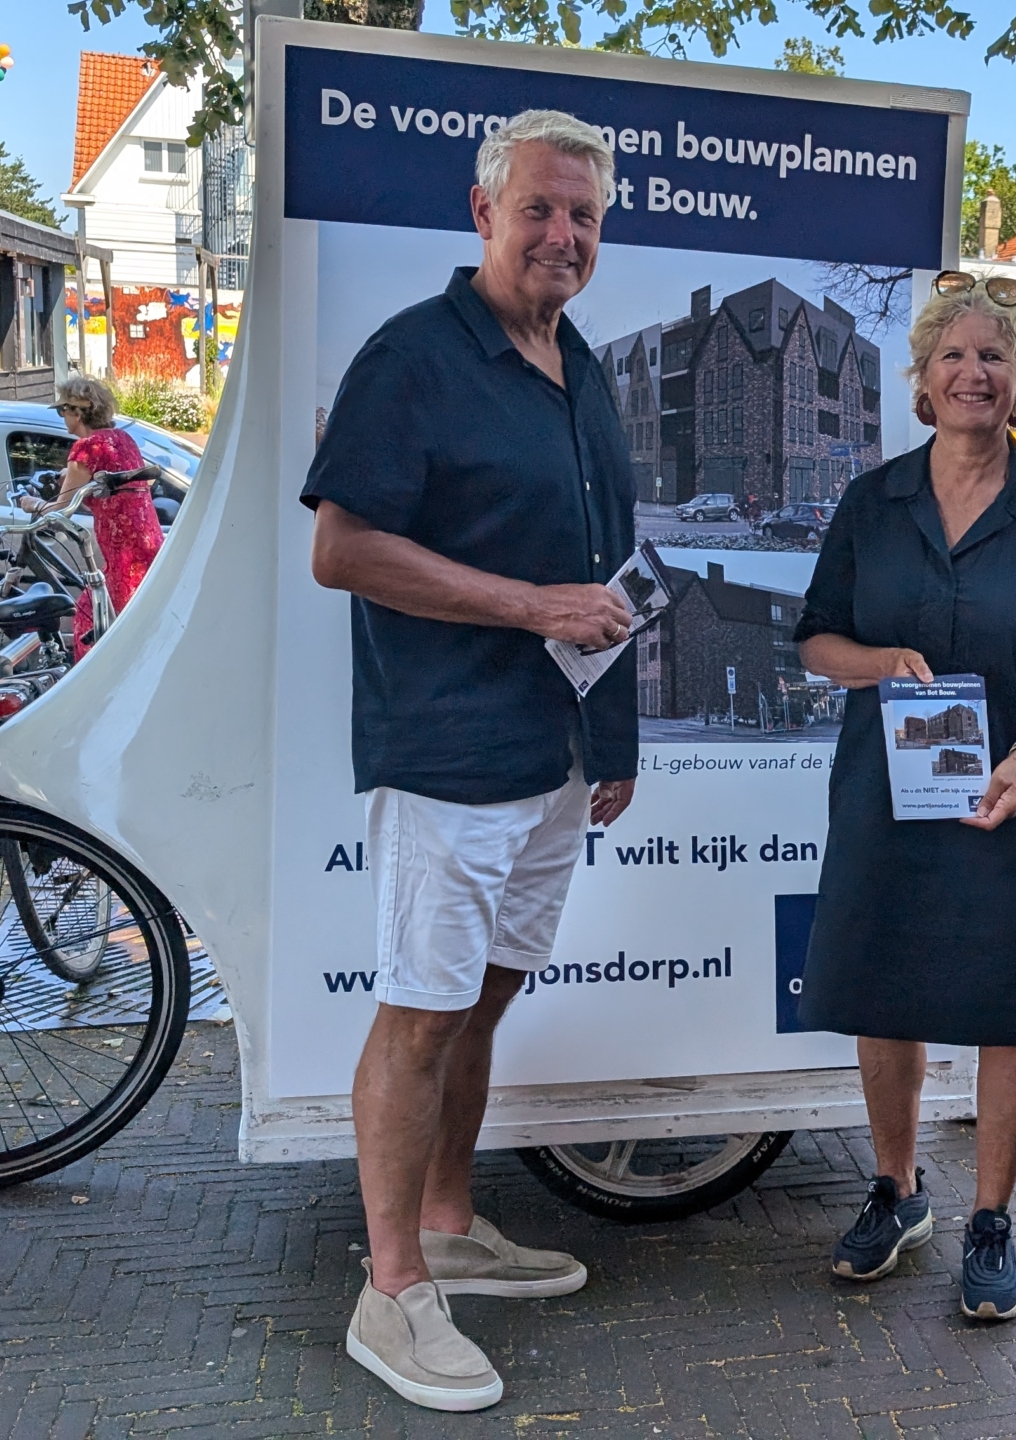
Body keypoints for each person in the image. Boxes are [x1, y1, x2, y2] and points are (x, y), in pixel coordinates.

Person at [300, 110, 636, 1413]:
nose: (564, 236)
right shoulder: (415, 358)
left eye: (587, 218)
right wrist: (531, 607)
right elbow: (343, 550)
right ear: (484, 211)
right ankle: (392, 1295)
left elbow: (600, 570)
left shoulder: (580, 363)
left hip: (552, 752)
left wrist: (609, 732)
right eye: (542, 209)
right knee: (424, 1009)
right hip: (448, 748)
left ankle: (446, 1219)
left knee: (484, 999)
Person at [793, 271, 1016, 1322]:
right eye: (954, 357)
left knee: (1005, 1006)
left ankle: (989, 1219)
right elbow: (815, 641)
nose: (975, 373)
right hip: (886, 798)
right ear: (923, 382)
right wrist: (879, 660)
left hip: (1007, 799)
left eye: (995, 358)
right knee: (882, 988)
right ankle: (895, 1190)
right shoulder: (870, 502)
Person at [23, 375, 162, 654]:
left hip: (123, 555)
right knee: (132, 627)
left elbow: (60, 509)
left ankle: (92, 690)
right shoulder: (122, 439)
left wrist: (33, 504)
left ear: (77, 412)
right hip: (147, 545)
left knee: (92, 623)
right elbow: (134, 482)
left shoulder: (85, 448)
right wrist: (81, 480)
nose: (62, 417)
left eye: (63, 410)